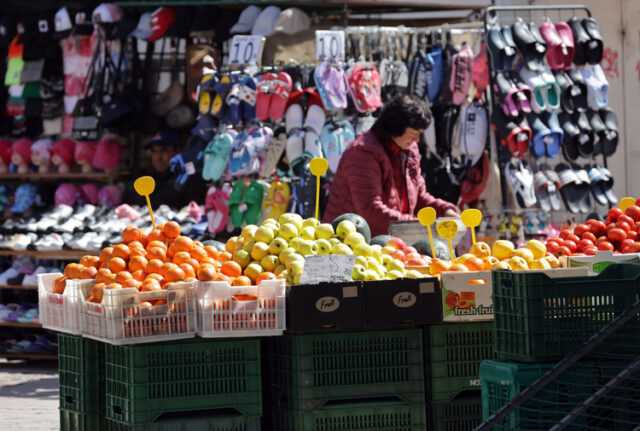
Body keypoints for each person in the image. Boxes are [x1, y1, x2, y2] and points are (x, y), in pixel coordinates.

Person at [323, 95, 458, 237]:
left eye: (420, 134)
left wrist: (443, 211)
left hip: (390, 241)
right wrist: (420, 226)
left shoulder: (409, 149)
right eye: (414, 133)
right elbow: (371, 211)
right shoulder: (363, 153)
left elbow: (418, 197)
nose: (417, 140)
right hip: (349, 242)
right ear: (397, 126)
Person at [127, 130, 206, 209]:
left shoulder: (190, 179)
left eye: (163, 151)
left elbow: (197, 212)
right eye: (154, 151)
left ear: (177, 152)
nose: (158, 157)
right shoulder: (146, 181)